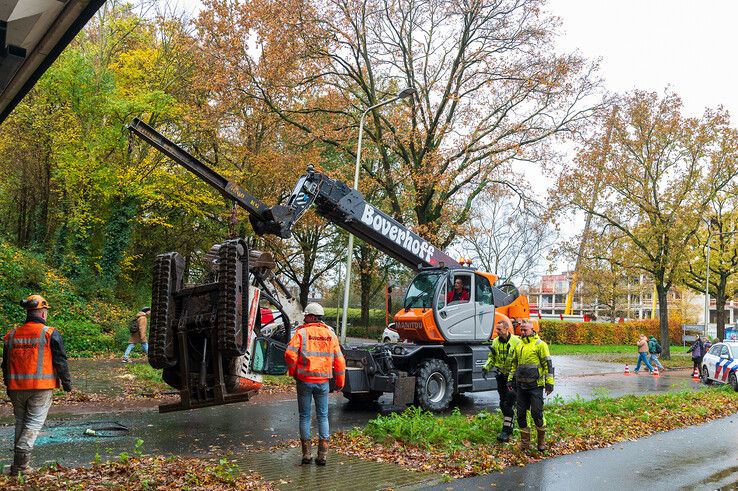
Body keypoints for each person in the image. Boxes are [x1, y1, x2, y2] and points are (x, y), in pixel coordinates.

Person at [2, 295, 72, 475]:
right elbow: (60, 360)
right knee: (33, 423)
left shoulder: (11, 335)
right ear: (42, 313)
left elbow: (5, 364)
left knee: (21, 422)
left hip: (16, 387)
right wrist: (67, 383)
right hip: (41, 387)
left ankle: (18, 466)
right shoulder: (49, 333)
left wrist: (7, 384)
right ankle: (21, 466)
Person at [285, 302, 345, 466]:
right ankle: (322, 456)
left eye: (306, 315)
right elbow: (340, 360)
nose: (304, 318)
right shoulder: (330, 334)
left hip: (304, 381)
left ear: (311, 316)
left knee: (304, 417)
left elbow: (290, 354)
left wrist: (293, 372)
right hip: (323, 383)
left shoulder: (301, 333)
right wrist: (340, 382)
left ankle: (306, 456)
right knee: (323, 416)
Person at [507, 318, 554, 452]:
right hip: (521, 386)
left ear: (533, 329)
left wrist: (549, 383)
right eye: (521, 329)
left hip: (536, 386)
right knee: (520, 414)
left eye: (525, 330)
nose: (522, 332)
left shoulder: (540, 344)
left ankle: (541, 442)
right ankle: (525, 444)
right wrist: (510, 379)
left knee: (537, 414)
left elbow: (548, 365)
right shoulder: (519, 345)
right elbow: (514, 364)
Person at [482, 320, 520, 442]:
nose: (497, 332)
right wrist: (486, 367)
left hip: (512, 378)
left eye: (499, 329)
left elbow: (520, 359)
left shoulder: (516, 342)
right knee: (502, 402)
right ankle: (510, 423)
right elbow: (492, 358)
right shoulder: (495, 342)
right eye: (496, 329)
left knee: (507, 404)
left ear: (506, 329)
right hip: (501, 377)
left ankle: (506, 431)